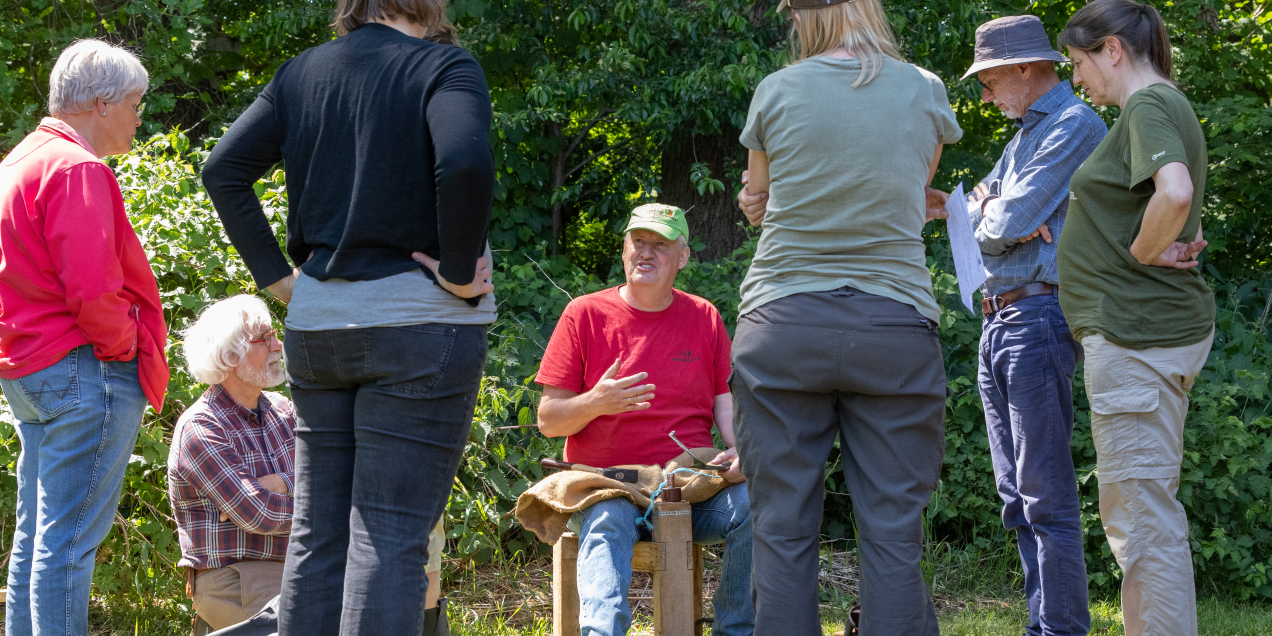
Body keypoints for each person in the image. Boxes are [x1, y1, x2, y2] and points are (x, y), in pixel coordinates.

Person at [200, 0, 495, 631]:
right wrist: (461, 271)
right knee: (387, 535)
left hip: (318, 330)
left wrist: (280, 279)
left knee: (317, 533)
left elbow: (224, 168)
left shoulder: (301, 74)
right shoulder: (446, 69)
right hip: (420, 328)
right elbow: (465, 164)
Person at [731, 0, 961, 633]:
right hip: (893, 324)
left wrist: (761, 202)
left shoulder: (776, 90)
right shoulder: (924, 90)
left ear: (812, 17)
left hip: (782, 324)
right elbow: (914, 190)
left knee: (780, 526)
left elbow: (758, 196)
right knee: (892, 532)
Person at [942, 15, 1109, 636]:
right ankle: (1045, 623)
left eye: (988, 81)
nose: (985, 96)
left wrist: (998, 214)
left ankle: (1060, 628)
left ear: (1022, 70)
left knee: (1044, 491)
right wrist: (996, 210)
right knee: (1015, 495)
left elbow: (997, 222)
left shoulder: (1073, 125)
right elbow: (982, 209)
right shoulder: (1024, 137)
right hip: (1001, 318)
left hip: (1038, 315)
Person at [0, 39, 168, 636]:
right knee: (68, 547)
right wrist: (125, 346)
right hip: (81, 369)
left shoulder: (19, 160)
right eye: (136, 103)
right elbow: (94, 291)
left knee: (37, 539)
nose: (139, 116)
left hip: (27, 370)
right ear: (103, 103)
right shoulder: (77, 167)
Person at [1057, 2, 1214, 635]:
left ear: (1113, 50)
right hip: (1146, 337)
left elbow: (1175, 193)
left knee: (1143, 524)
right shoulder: (1166, 106)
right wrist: (1155, 243)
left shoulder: (1147, 106)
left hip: (1136, 339)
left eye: (1079, 61)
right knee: (1145, 516)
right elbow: (1176, 206)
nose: (1077, 78)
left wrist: (1144, 252)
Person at [534, 204, 753, 636]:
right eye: (638, 241)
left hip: (688, 487)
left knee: (758, 504)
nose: (646, 253)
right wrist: (596, 401)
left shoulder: (704, 316)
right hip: (605, 485)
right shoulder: (584, 314)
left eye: (660, 244)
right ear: (623, 250)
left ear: (683, 257)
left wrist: (742, 450)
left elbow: (724, 400)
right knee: (608, 519)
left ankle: (735, 631)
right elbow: (548, 421)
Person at [168, 295, 296, 631]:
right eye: (263, 338)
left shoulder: (282, 410)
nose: (277, 345)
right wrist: (324, 509)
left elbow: (333, 475)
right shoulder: (202, 427)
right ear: (229, 356)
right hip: (237, 575)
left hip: (299, 562)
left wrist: (284, 483)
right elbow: (259, 514)